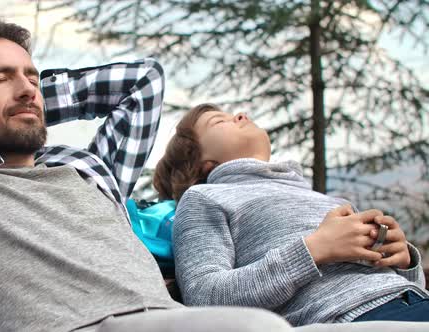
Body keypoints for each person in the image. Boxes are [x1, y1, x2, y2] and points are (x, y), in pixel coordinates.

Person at [0, 21, 427, 332]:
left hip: (171, 324)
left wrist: (16, 97)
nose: (28, 88)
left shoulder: (90, 171)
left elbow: (141, 81)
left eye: (33, 77)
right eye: (0, 78)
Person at [153, 103, 429, 326]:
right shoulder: (203, 197)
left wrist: (403, 261)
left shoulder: (327, 200)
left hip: (412, 303)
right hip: (348, 317)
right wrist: (314, 250)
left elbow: (397, 283)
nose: (240, 114)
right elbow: (204, 297)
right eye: (219, 121)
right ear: (201, 163)